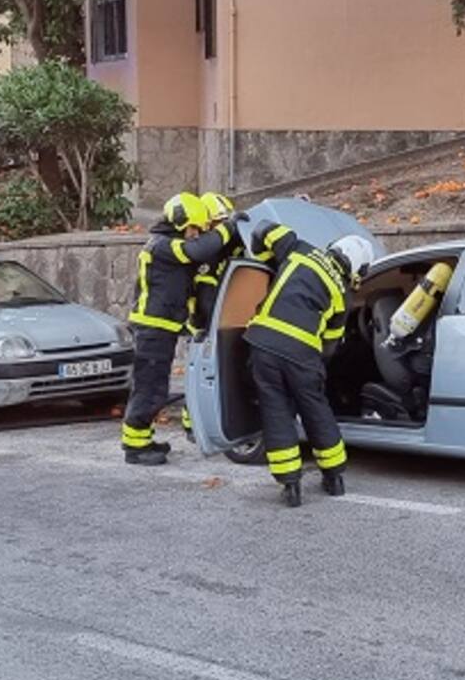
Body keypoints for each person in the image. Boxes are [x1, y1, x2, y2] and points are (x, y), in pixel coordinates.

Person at [245, 220, 375, 507]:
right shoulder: (342, 295)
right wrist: (313, 369)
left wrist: (265, 262)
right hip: (302, 355)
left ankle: (290, 484)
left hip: (264, 344)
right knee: (316, 409)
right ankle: (334, 477)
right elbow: (330, 345)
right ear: (356, 268)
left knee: (276, 409)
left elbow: (262, 229)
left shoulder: (298, 248)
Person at [121, 192, 238, 466]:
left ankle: (143, 439)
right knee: (149, 389)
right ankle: (135, 448)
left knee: (154, 387)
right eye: (193, 228)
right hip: (152, 329)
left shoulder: (168, 243)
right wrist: (228, 226)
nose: (195, 234)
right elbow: (195, 251)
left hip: (162, 328)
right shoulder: (163, 245)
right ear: (179, 223)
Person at [181, 191, 246, 441]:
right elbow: (206, 295)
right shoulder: (207, 253)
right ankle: (192, 424)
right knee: (200, 375)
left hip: (214, 319)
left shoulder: (220, 247)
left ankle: (196, 421)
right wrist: (210, 325)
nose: (223, 227)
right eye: (219, 223)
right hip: (202, 322)